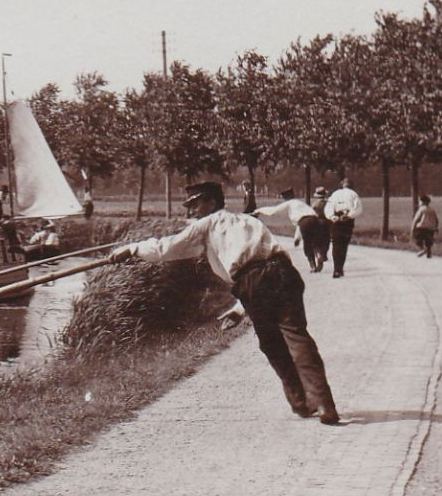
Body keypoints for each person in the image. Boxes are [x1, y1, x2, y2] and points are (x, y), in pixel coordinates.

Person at [111, 181, 340, 425]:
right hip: (285, 273)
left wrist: (133, 249)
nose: (192, 211)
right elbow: (260, 264)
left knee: (272, 344)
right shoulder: (248, 221)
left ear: (212, 202)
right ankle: (324, 403)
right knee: (297, 336)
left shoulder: (206, 224)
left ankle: (301, 402)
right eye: (190, 206)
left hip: (255, 281)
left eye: (196, 204)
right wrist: (240, 310)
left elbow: (166, 249)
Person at [254, 189, 325, 273]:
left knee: (307, 244)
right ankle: (319, 254)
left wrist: (259, 211)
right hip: (315, 220)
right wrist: (297, 238)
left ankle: (312, 265)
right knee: (315, 241)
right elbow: (302, 220)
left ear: (285, 198)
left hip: (304, 222)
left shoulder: (289, 203)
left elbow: (273, 211)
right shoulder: (301, 203)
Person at [325, 177, 363, 279]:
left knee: (336, 244)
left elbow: (328, 208)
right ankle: (340, 268)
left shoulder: (335, 194)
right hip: (347, 221)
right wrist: (349, 216)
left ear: (342, 185)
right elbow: (358, 209)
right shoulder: (354, 194)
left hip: (336, 220)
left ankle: (336, 269)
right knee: (344, 245)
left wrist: (332, 217)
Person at [307, 186, 333, 272]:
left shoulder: (314, 205)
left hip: (316, 222)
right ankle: (322, 256)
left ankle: (318, 255)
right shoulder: (328, 203)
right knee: (326, 240)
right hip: (327, 223)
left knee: (315, 242)